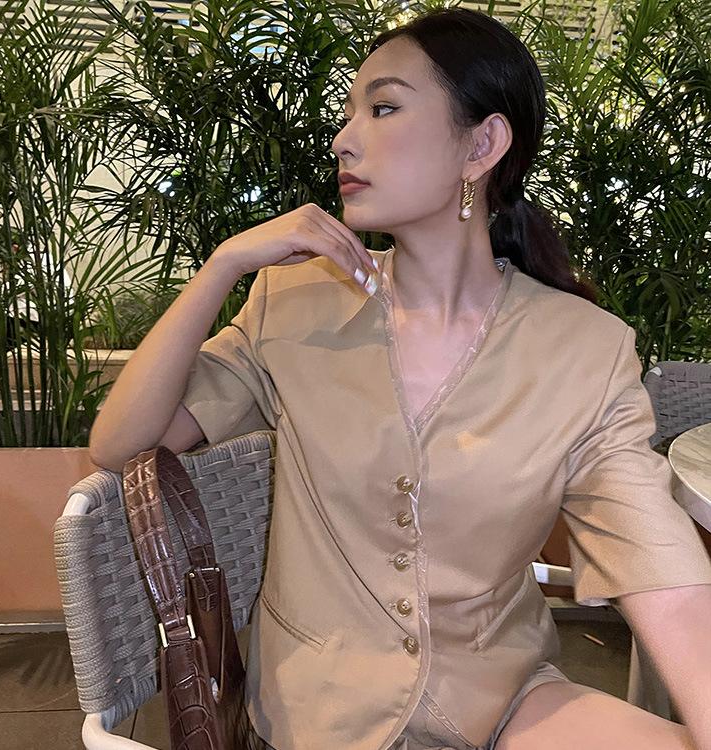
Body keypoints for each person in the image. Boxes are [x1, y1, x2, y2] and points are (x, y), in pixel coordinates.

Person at [89, 8, 711, 750]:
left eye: (383, 108)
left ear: (481, 145)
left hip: (501, 699)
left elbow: (661, 570)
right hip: (320, 713)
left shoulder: (586, 349)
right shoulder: (295, 304)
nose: (344, 138)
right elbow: (121, 442)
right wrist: (222, 266)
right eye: (350, 111)